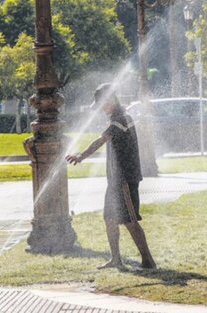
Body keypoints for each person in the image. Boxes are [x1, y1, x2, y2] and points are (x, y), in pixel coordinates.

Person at [66, 83, 156, 270]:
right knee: (110, 218)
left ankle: (148, 260)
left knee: (130, 221)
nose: (100, 108)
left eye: (101, 104)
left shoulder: (121, 120)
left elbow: (100, 140)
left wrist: (81, 155)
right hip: (116, 181)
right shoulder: (119, 118)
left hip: (124, 180)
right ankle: (116, 259)